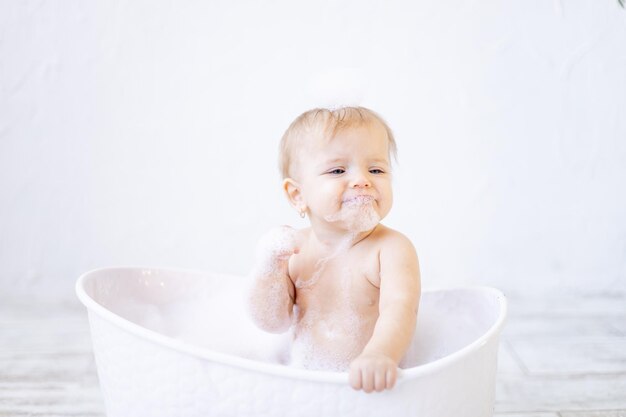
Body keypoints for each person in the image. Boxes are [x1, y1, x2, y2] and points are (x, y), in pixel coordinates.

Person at [248, 106, 421, 393]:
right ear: (298, 195)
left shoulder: (391, 249)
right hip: (305, 382)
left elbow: (400, 309)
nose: (362, 179)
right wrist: (269, 269)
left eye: (376, 169)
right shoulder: (294, 251)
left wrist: (380, 354)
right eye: (338, 170)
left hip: (368, 386)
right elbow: (272, 321)